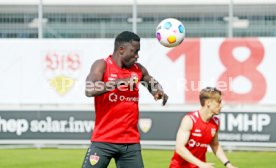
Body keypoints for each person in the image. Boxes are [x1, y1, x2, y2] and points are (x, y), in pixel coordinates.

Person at [82, 31, 168, 168]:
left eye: (138, 52)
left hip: (130, 144)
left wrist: (158, 91)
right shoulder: (102, 65)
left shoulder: (138, 69)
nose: (137, 56)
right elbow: (89, 89)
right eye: (134, 52)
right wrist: (119, 82)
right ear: (121, 49)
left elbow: (152, 83)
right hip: (103, 140)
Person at [170, 87, 237, 168]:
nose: (221, 105)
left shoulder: (216, 122)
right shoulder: (190, 120)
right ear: (208, 102)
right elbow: (179, 148)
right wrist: (201, 164)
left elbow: (215, 145)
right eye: (219, 102)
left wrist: (228, 164)